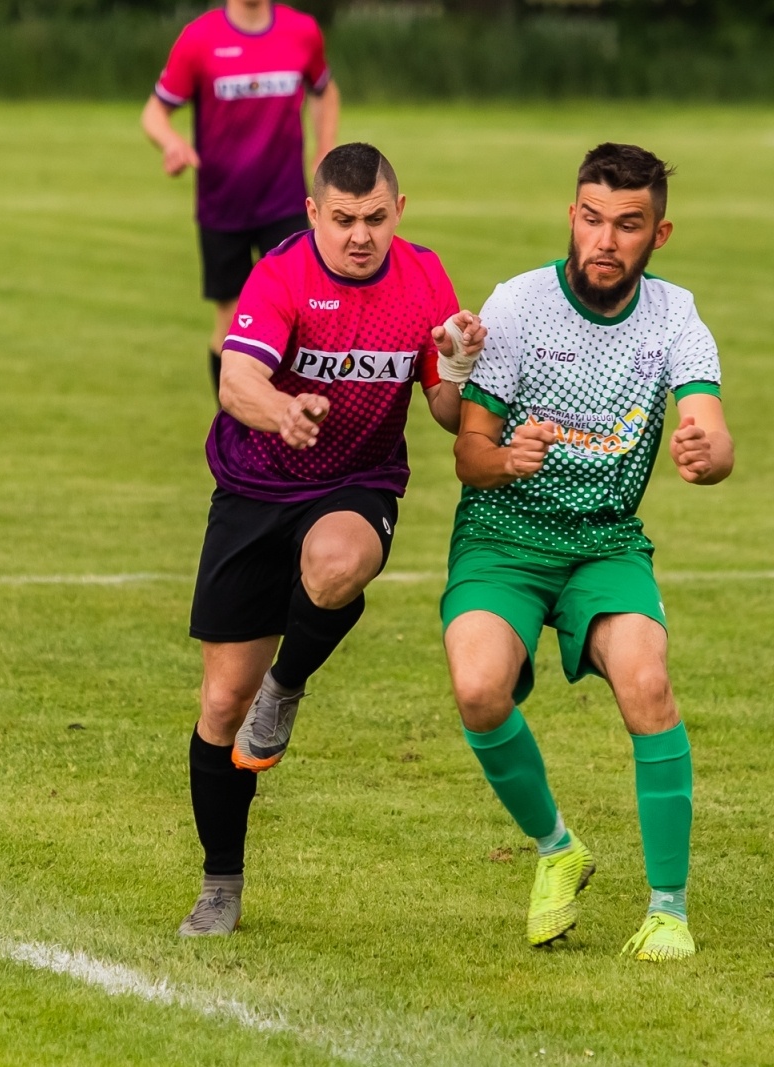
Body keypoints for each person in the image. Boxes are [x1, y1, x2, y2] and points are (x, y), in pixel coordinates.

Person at [177, 143, 487, 937]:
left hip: (357, 482)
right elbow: (236, 380)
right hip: (254, 486)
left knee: (337, 562)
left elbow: (447, 414)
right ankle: (220, 882)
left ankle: (286, 688)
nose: (360, 235)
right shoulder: (282, 274)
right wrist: (283, 411)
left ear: (399, 212)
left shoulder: (422, 277)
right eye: (343, 219)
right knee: (219, 703)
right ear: (314, 213)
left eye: (375, 219)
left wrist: (454, 366)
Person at [440, 143, 734, 963]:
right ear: (573, 215)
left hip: (605, 540)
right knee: (478, 689)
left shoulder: (675, 315)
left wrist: (707, 449)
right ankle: (557, 845)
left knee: (648, 682)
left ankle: (668, 910)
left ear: (659, 233)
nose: (606, 240)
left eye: (628, 225)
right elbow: (468, 452)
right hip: (502, 537)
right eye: (593, 219)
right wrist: (505, 459)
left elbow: (711, 426)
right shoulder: (520, 304)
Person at [142, 0, 341, 395]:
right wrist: (171, 144)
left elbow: (324, 90)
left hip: (286, 204)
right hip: (223, 206)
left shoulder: (301, 31)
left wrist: (324, 148)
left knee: (303, 322)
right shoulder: (199, 38)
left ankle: (291, 424)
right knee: (232, 323)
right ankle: (234, 432)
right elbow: (154, 112)